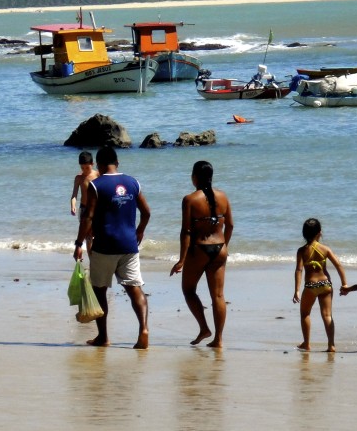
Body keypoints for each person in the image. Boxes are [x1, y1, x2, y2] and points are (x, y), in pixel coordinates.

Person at [72, 145, 151, 349]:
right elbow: (147, 212)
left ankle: (103, 337)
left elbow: (88, 217)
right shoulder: (133, 182)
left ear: (98, 164)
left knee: (99, 290)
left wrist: (79, 243)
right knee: (135, 288)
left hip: (104, 245)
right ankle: (143, 328)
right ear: (117, 163)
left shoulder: (96, 185)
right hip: (129, 245)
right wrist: (140, 231)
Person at [169, 160, 234, 348]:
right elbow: (229, 225)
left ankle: (205, 328)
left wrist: (181, 260)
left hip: (199, 249)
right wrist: (225, 247)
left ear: (194, 177)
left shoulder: (190, 199)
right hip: (220, 249)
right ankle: (219, 340)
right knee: (218, 296)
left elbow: (186, 232)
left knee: (189, 290)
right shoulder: (223, 196)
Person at [293, 218, 346, 352]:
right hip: (326, 284)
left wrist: (297, 290)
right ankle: (331, 345)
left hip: (310, 286)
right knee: (327, 315)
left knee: (305, 314)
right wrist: (344, 283)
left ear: (304, 234)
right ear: (319, 233)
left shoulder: (301, 251)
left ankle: (306, 343)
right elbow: (338, 265)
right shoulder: (325, 249)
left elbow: (299, 270)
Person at [70, 150, 98, 218]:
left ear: (92, 164)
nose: (85, 170)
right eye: (82, 168)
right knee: (83, 228)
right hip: (84, 208)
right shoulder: (79, 178)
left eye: (87, 168)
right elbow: (74, 195)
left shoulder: (98, 175)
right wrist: (73, 206)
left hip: (97, 208)